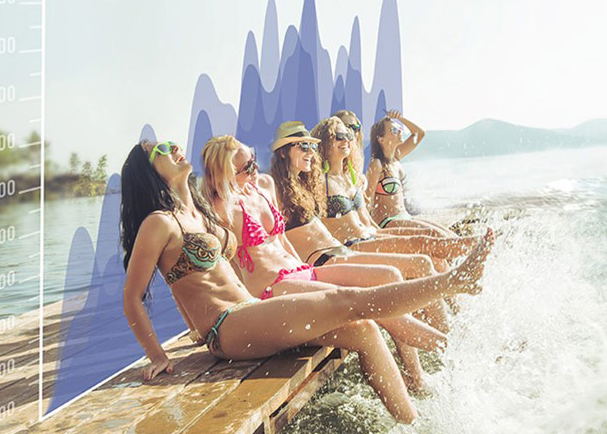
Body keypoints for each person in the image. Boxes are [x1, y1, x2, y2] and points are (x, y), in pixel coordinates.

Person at [119, 139, 491, 423]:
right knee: (346, 301)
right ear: (148, 172)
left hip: (251, 311)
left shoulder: (198, 213)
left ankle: (411, 423)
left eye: (173, 144)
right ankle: (454, 281)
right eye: (162, 150)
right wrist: (158, 356)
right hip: (226, 326)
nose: (175, 149)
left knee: (363, 330)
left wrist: (191, 326)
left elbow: (194, 278)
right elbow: (132, 297)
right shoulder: (159, 223)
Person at [199, 134, 447, 387]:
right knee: (366, 305)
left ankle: (424, 367)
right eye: (246, 168)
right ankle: (446, 348)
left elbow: (282, 239)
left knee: (385, 278)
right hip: (272, 288)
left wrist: (305, 268)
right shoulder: (220, 209)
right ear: (224, 173)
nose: (254, 170)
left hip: (300, 269)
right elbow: (219, 266)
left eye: (253, 161)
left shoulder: (263, 185)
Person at [268, 121, 458, 331]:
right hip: (330, 256)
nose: (311, 151)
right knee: (406, 269)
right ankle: (441, 333)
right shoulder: (281, 187)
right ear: (283, 152)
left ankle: (442, 328)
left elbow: (362, 222)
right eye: (304, 146)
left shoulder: (309, 184)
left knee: (424, 256)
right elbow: (275, 239)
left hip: (344, 248)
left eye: (312, 146)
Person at [311, 116, 479, 260]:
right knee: (426, 241)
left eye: (348, 135)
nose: (347, 139)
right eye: (340, 136)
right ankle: (475, 247)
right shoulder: (374, 165)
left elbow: (365, 218)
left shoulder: (356, 176)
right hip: (380, 226)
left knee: (438, 243)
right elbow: (367, 204)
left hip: (377, 229)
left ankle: (470, 257)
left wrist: (385, 236)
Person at [365, 111, 457, 237]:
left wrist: (400, 118)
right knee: (437, 235)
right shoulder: (377, 164)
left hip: (405, 217)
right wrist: (373, 230)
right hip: (387, 222)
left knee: (449, 234)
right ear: (381, 139)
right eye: (394, 130)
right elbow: (367, 200)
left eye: (399, 129)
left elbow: (419, 133)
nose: (399, 131)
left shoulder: (396, 158)